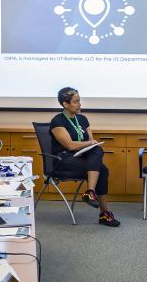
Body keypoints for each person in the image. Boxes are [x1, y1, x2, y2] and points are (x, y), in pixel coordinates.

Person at [49, 87, 120, 226]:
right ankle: (104, 214)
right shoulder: (57, 121)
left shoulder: (82, 119)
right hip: (64, 160)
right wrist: (89, 143)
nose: (80, 104)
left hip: (82, 157)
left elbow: (90, 143)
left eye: (79, 100)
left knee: (97, 149)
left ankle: (90, 192)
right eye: (75, 101)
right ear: (65, 104)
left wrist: (91, 144)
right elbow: (69, 145)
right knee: (101, 169)